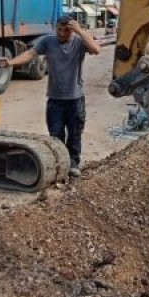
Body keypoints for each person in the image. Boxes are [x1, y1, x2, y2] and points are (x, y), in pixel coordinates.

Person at [9, 15, 100, 178]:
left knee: (75, 134)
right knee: (55, 135)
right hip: (55, 99)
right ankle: (60, 165)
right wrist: (10, 63)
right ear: (55, 28)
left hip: (75, 99)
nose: (62, 33)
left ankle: (73, 164)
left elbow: (96, 49)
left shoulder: (79, 43)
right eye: (59, 29)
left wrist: (79, 31)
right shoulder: (48, 42)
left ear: (72, 30)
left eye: (66, 30)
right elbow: (30, 53)